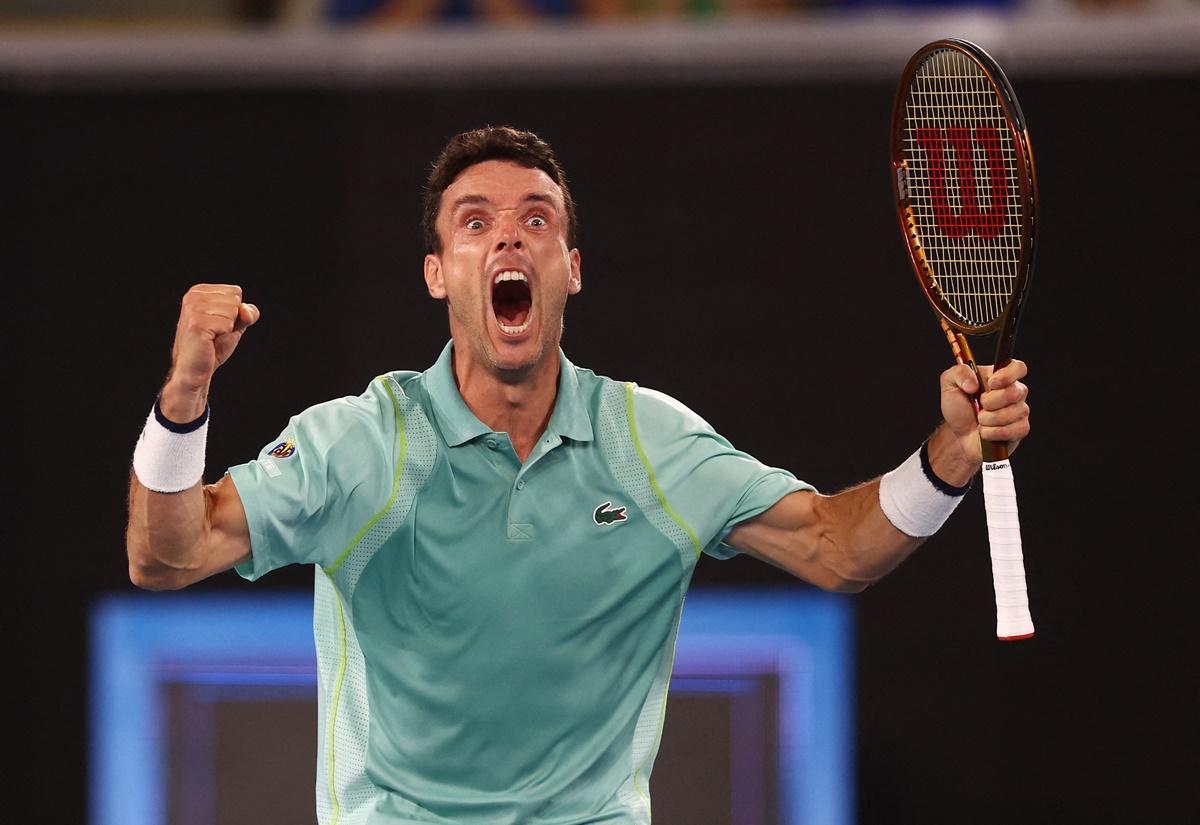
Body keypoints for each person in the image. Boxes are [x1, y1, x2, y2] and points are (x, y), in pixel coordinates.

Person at [126, 125, 1030, 825]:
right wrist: (186, 393)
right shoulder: (364, 444)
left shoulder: (651, 445)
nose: (508, 240)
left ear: (572, 269)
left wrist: (949, 453)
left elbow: (837, 547)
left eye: (537, 220)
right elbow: (165, 554)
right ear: (440, 274)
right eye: (475, 223)